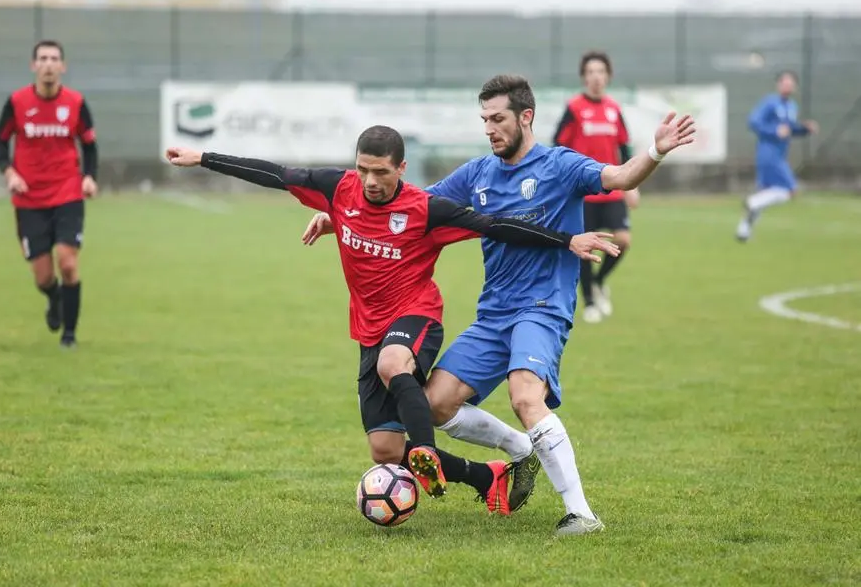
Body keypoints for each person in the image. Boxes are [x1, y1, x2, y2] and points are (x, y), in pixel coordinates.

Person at [301, 75, 695, 535]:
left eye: (498, 119)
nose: (490, 128)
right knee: (432, 405)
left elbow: (620, 177)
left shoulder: (560, 166)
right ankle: (519, 449)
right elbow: (413, 208)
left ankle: (581, 513)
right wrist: (339, 218)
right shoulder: (477, 174)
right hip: (494, 314)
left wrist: (657, 151)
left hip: (542, 306)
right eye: (485, 119)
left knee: (526, 395)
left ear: (526, 117)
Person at [164, 125, 619, 516]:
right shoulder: (338, 190)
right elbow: (274, 173)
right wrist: (204, 157)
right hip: (367, 327)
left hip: (417, 315)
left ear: (401, 169)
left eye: (381, 171)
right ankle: (487, 477)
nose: (370, 180)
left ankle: (423, 450)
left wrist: (566, 240)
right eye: (363, 168)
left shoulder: (425, 209)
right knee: (383, 450)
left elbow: (495, 225)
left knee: (393, 363)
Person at [0, 40, 98, 348]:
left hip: (67, 192)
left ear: (62, 66)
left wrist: (89, 177)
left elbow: (89, 145)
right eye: (43, 58)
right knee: (42, 277)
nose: (49, 64)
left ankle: (70, 336)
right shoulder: (17, 102)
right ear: (33, 65)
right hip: (29, 197)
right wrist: (10, 173)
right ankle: (54, 298)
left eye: (54, 58)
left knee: (67, 263)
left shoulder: (76, 103)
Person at [554, 51, 637, 323]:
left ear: (608, 76)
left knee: (623, 240)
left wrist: (632, 184)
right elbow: (558, 145)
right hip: (583, 192)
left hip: (612, 189)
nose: (596, 77)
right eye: (590, 72)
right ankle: (589, 301)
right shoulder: (574, 108)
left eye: (601, 71)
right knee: (585, 249)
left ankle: (599, 283)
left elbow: (624, 148)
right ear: (584, 77)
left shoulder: (614, 109)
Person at [736, 70, 818, 242]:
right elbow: (753, 122)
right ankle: (753, 202)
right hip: (768, 153)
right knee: (790, 189)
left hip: (780, 153)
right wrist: (773, 131)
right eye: (785, 82)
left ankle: (743, 230)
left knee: (765, 192)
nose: (788, 85)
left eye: (791, 83)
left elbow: (789, 129)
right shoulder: (770, 103)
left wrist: (805, 129)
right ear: (778, 84)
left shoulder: (791, 106)